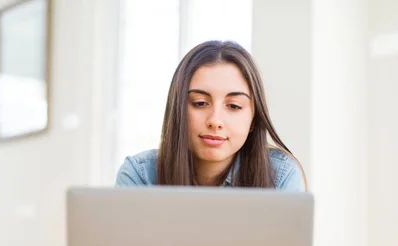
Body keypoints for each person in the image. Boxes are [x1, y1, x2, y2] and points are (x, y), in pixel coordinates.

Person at [115, 40, 307, 191]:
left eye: (233, 106)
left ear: (253, 118)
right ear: (178, 110)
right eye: (200, 103)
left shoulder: (281, 175)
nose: (215, 121)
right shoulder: (140, 175)